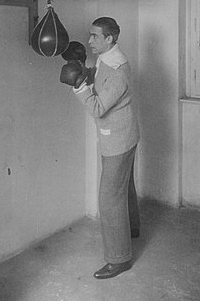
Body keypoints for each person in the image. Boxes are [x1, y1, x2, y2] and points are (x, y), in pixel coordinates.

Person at [60, 17, 140, 279]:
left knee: (109, 198)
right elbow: (99, 76)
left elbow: (97, 107)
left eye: (95, 36)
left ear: (109, 39)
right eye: (90, 35)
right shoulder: (110, 59)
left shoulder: (118, 70)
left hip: (118, 138)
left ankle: (119, 259)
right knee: (123, 185)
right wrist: (84, 68)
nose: (90, 41)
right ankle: (132, 230)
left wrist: (78, 85)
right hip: (121, 134)